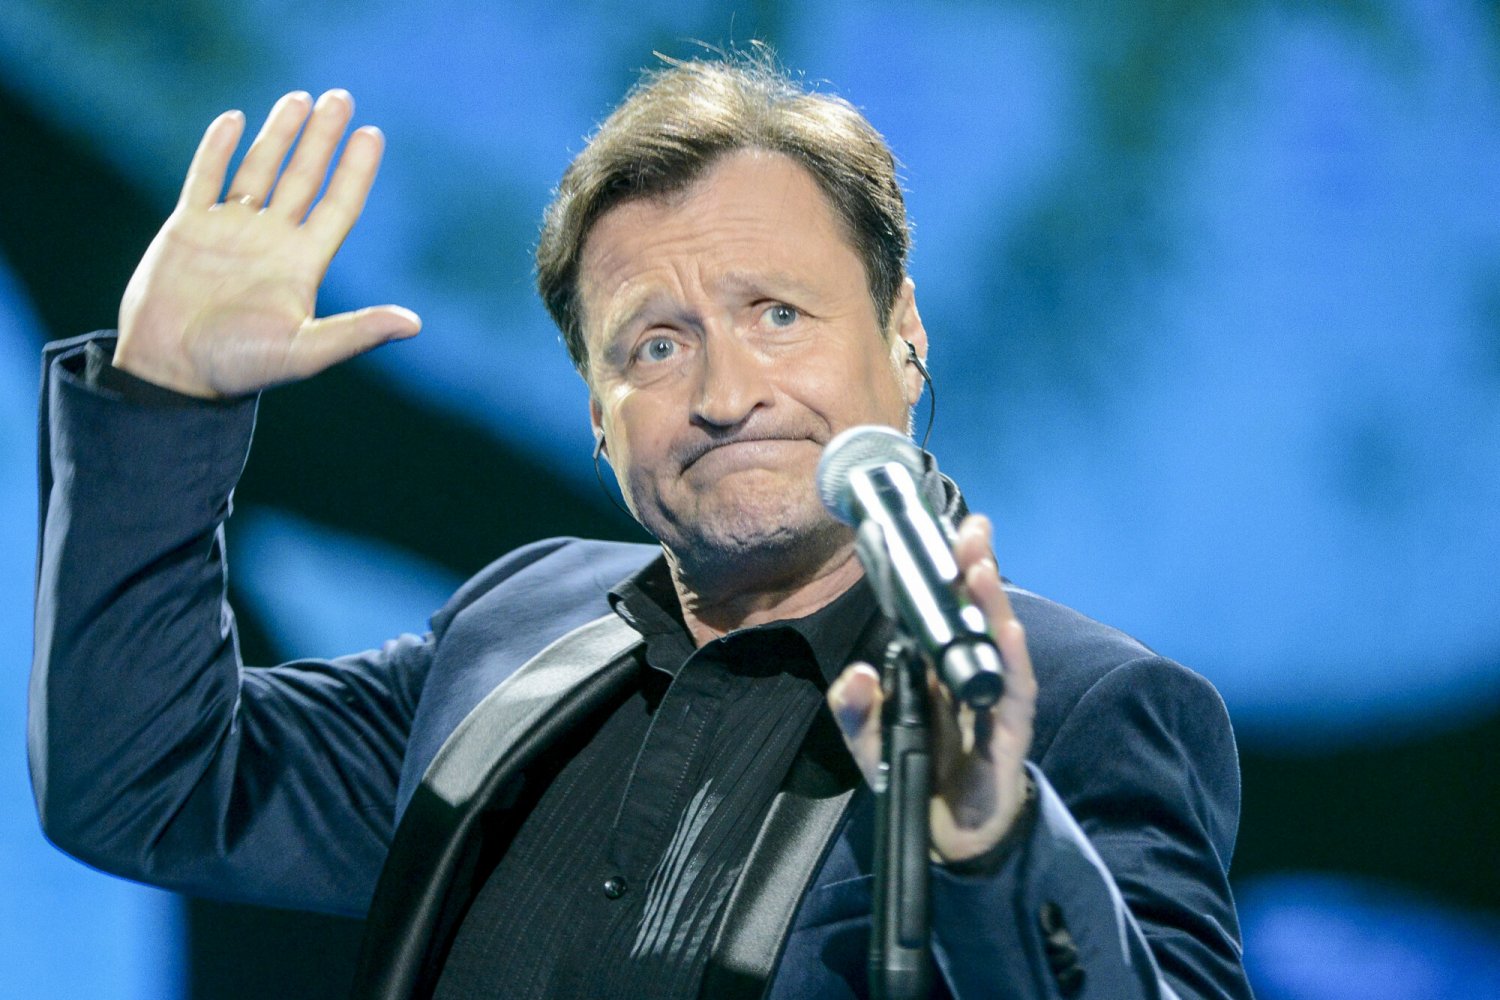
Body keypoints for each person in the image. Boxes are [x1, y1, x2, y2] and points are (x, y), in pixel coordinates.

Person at [31, 57, 1252, 999]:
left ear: (903, 335)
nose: (725, 392)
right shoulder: (513, 626)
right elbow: (148, 787)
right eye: (656, 346)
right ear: (598, 418)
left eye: (778, 314)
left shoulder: (1089, 708)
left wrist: (994, 846)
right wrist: (165, 400)